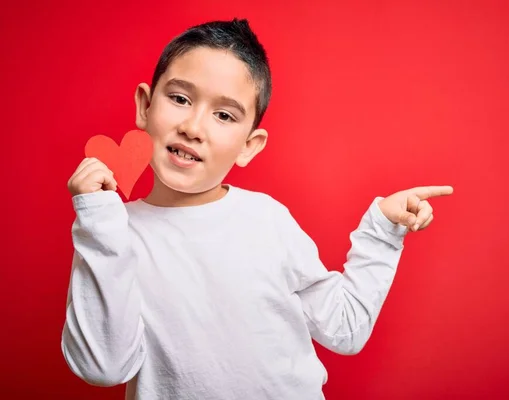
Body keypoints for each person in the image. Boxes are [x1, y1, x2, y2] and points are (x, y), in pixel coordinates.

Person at [61, 18, 453, 400]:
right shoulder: (113, 234)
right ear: (145, 105)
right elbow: (103, 367)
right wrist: (98, 225)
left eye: (224, 115)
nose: (194, 127)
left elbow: (345, 328)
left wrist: (381, 229)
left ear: (250, 144)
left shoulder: (268, 219)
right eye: (180, 99)